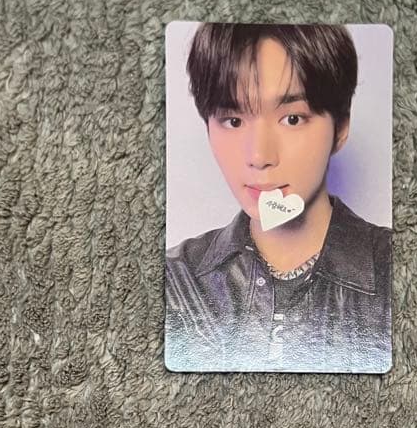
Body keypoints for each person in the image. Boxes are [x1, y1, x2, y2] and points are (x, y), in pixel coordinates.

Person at [165, 23, 392, 373]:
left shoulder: (395, 268)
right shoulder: (176, 281)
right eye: (233, 121)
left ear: (341, 127)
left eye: (292, 119)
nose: (259, 156)